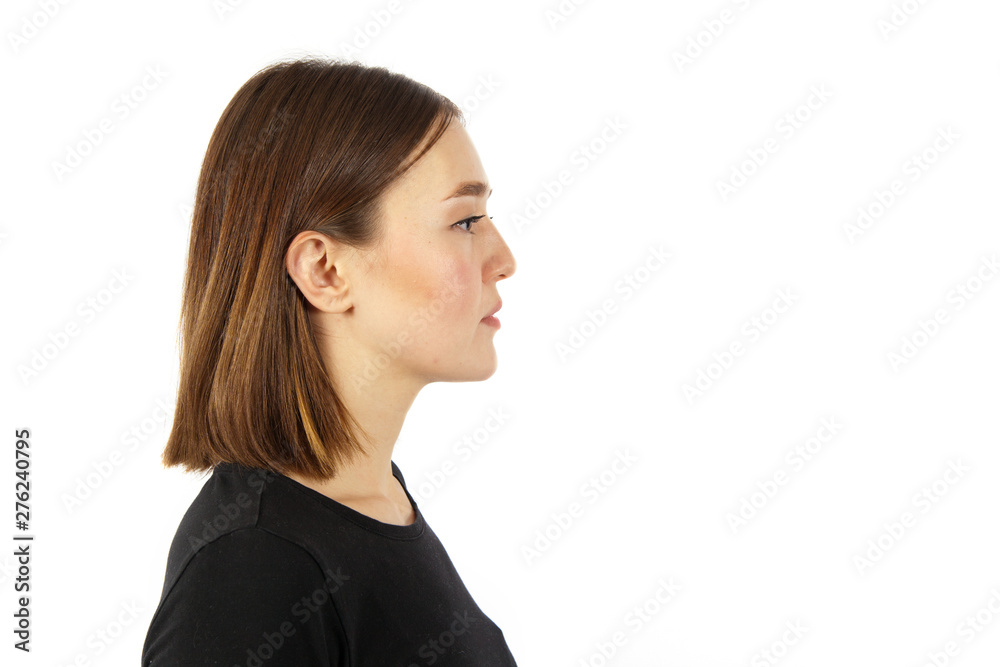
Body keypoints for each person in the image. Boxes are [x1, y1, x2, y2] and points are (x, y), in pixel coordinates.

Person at [140, 56, 518, 665]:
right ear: (325, 270)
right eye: (465, 219)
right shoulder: (253, 569)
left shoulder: (377, 500)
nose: (504, 257)